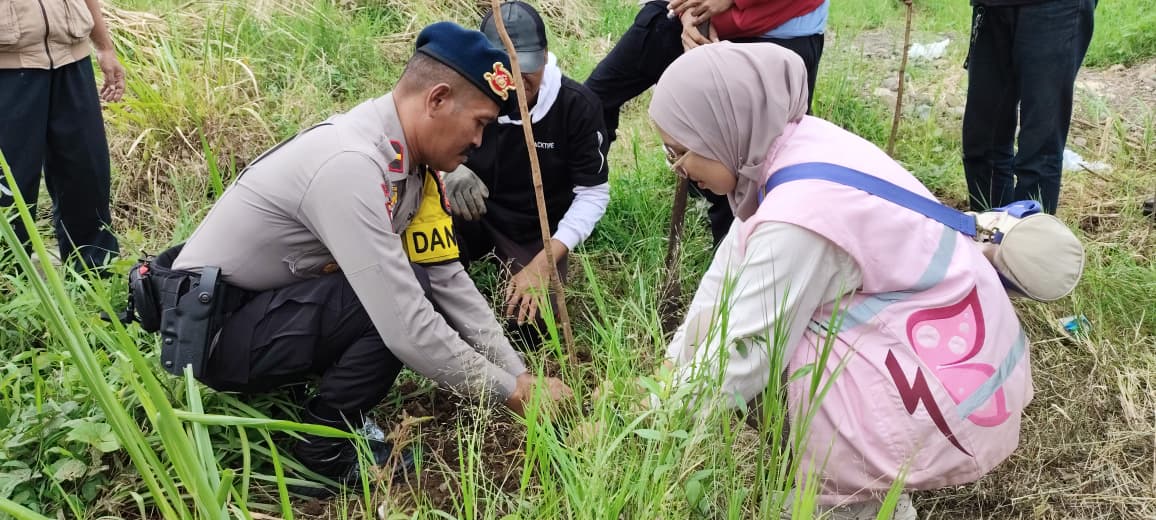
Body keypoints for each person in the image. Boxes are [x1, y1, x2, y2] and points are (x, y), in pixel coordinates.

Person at [162, 22, 572, 488]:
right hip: (216, 331)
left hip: (267, 311)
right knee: (396, 298)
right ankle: (324, 452)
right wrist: (510, 394)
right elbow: (408, 325)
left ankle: (315, 407)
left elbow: (447, 278)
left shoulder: (414, 168)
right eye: (478, 122)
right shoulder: (351, 165)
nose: (480, 141)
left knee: (414, 282)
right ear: (437, 99)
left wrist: (520, 376)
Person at [649, 43, 1032, 518]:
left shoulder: (801, 218)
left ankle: (846, 501)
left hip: (942, 377)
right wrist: (670, 371)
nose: (679, 169)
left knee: (799, 349)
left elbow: (745, 350)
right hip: (960, 340)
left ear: (722, 125)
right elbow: (726, 275)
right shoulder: (789, 143)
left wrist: (648, 420)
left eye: (679, 150)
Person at [585, 0, 828, 245]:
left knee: (745, 158)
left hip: (776, 27)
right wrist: (687, 10)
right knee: (591, 103)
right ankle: (571, 219)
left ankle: (740, 258)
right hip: (689, 21)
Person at [442, 0, 610, 343]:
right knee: (427, 273)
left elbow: (593, 194)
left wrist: (545, 261)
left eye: (528, 66)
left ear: (546, 55)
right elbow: (420, 140)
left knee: (532, 326)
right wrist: (449, 170)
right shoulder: (466, 93)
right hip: (474, 209)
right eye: (506, 67)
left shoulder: (577, 106)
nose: (518, 80)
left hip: (537, 231)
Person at [1, 0, 124, 270]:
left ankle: (96, 273)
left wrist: (104, 46)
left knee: (87, 172)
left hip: (72, 58)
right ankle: (9, 287)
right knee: (9, 186)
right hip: (6, 67)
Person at [961, 0, 1096, 214]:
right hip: (992, 8)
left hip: (1058, 9)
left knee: (1039, 151)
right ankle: (988, 237)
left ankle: (1027, 242)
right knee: (982, 144)